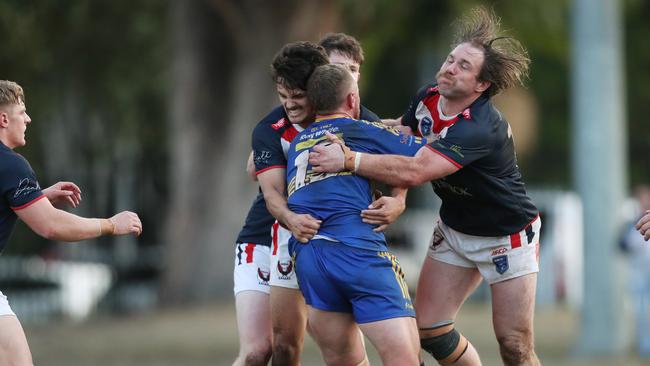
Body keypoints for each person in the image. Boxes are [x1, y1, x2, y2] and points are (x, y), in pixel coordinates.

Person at [309, 7, 541, 366]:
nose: (450, 67)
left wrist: (349, 159)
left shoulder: (480, 126)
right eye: (451, 59)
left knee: (513, 344)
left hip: (505, 236)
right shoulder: (428, 96)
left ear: (482, 85)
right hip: (454, 229)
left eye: (463, 66)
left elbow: (416, 170)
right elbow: (399, 134)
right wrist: (344, 126)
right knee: (429, 328)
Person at [235, 36, 395, 365]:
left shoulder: (355, 118)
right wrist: (292, 220)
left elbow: (398, 161)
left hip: (341, 241)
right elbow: (272, 195)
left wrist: (399, 200)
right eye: (283, 96)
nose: (290, 105)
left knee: (348, 349)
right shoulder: (271, 128)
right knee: (274, 348)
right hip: (284, 234)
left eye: (298, 96)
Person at [288, 64, 424, 366]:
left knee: (344, 360)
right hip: (356, 251)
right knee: (405, 358)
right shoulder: (356, 129)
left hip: (309, 257)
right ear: (352, 100)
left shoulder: (298, 142)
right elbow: (427, 156)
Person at [0, 80, 142, 366]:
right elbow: (50, 226)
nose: (27, 119)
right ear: (3, 119)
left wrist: (36, 197)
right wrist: (111, 225)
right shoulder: (11, 164)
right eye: (22, 112)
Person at [620, 185, 650, 357]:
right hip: (639, 274)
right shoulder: (634, 223)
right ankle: (645, 347)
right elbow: (621, 245)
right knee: (641, 313)